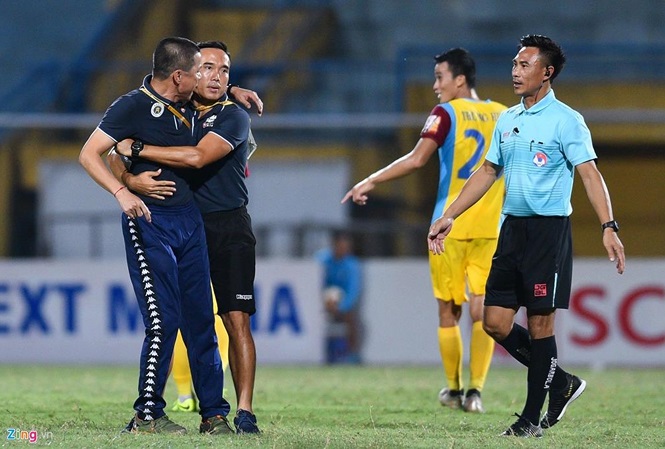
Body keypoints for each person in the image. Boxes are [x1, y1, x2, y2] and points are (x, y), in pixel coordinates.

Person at [428, 35, 626, 437]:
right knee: (494, 323)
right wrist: (450, 214)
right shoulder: (507, 118)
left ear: (547, 73)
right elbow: (486, 172)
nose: (516, 72)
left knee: (540, 326)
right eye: (515, 65)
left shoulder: (567, 120)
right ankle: (562, 382)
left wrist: (609, 227)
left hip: (547, 233)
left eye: (525, 65)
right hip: (511, 229)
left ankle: (530, 419)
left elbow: (590, 174)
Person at [79, 36, 234, 434]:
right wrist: (124, 188)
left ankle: (214, 414)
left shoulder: (189, 102)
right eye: (200, 69)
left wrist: (239, 89)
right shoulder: (131, 105)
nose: (206, 76)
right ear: (180, 76)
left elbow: (218, 88)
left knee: (201, 321)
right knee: (163, 319)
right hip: (149, 222)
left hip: (189, 222)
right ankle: (147, 415)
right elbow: (92, 153)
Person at [342, 48, 506, 412]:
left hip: (448, 225)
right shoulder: (504, 115)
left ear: (459, 79)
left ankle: (453, 389)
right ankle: (476, 392)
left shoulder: (446, 113)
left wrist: (371, 179)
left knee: (449, 311)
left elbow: (417, 159)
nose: (435, 86)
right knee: (482, 311)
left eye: (440, 77)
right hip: (493, 225)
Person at [113, 40, 261, 434]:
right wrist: (127, 179)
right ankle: (175, 405)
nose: (216, 77)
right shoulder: (172, 107)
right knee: (177, 319)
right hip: (182, 223)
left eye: (225, 71)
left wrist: (140, 148)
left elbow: (196, 157)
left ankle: (242, 411)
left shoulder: (234, 116)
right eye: (207, 69)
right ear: (188, 76)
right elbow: (113, 147)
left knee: (235, 320)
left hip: (228, 226)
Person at [316, 230, 363, 364]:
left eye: (346, 247)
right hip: (321, 302)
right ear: (334, 245)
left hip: (342, 305)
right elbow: (313, 281)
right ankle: (318, 352)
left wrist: (340, 307)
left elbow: (353, 291)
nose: (343, 250)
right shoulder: (321, 260)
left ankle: (352, 354)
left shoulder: (352, 265)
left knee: (351, 318)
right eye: (340, 246)